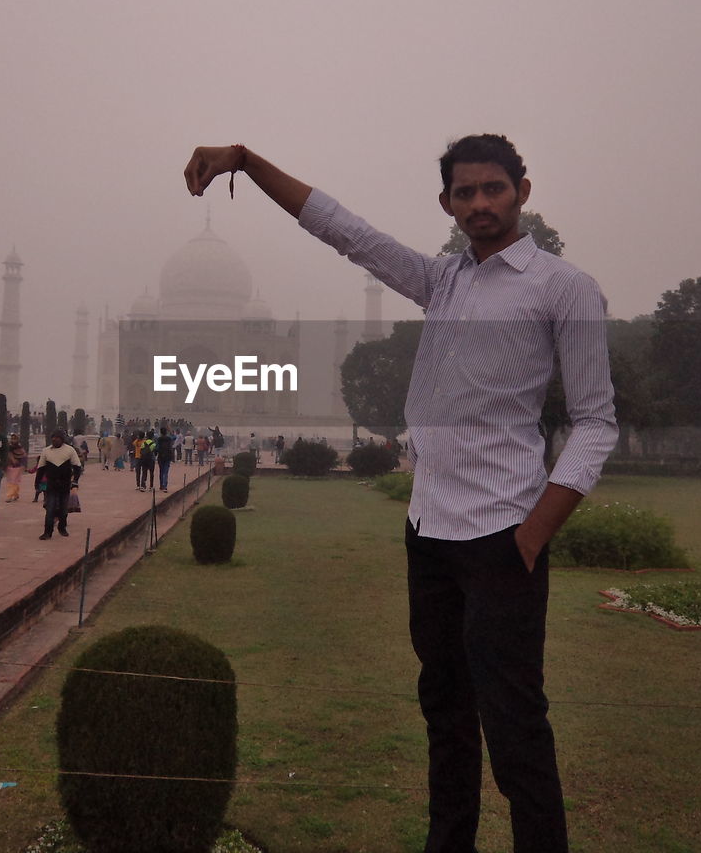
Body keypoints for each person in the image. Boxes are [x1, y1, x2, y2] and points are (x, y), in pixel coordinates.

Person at [184, 136, 617, 853]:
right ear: (447, 203)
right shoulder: (443, 281)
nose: (480, 204)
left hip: (503, 537)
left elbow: (597, 422)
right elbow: (346, 231)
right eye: (465, 193)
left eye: (493, 190)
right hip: (431, 534)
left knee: (514, 730)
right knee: (446, 720)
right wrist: (247, 161)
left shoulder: (563, 287)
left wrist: (535, 533)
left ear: (522, 191)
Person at [35, 430, 82, 540]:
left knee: (63, 509)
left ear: (62, 439)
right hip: (51, 484)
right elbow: (40, 469)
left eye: (57, 437)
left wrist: (75, 481)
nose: (55, 439)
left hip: (65, 484)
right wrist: (37, 483)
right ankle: (47, 532)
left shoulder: (70, 450)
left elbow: (77, 467)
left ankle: (62, 527)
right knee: (50, 508)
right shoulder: (46, 451)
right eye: (53, 437)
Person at [4, 433, 27, 501]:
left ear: (18, 439)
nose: (13, 440)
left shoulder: (20, 447)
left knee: (12, 481)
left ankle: (9, 496)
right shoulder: (8, 447)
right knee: (13, 481)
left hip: (17, 467)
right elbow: (6, 455)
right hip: (9, 466)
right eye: (12, 438)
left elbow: (24, 456)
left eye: (15, 438)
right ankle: (16, 494)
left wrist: (23, 464)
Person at [156, 425, 175, 492]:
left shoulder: (159, 439)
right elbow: (174, 438)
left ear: (161, 432)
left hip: (161, 456)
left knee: (161, 471)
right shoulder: (169, 439)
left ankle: (161, 485)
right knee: (166, 471)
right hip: (168, 456)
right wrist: (170, 431)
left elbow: (157, 448)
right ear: (166, 432)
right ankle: (165, 486)